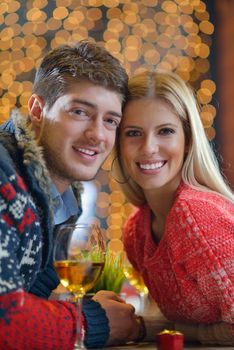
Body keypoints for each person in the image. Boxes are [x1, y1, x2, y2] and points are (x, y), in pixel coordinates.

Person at [0, 40, 143, 349]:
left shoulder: (63, 200)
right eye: (79, 111)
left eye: (110, 121)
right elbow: (5, 321)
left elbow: (27, 296)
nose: (97, 134)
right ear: (38, 109)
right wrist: (92, 321)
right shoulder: (4, 180)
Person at [113, 69, 234, 345]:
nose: (149, 148)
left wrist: (176, 330)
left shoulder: (197, 215)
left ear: (188, 140)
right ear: (118, 144)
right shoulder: (136, 232)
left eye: (165, 131)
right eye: (133, 133)